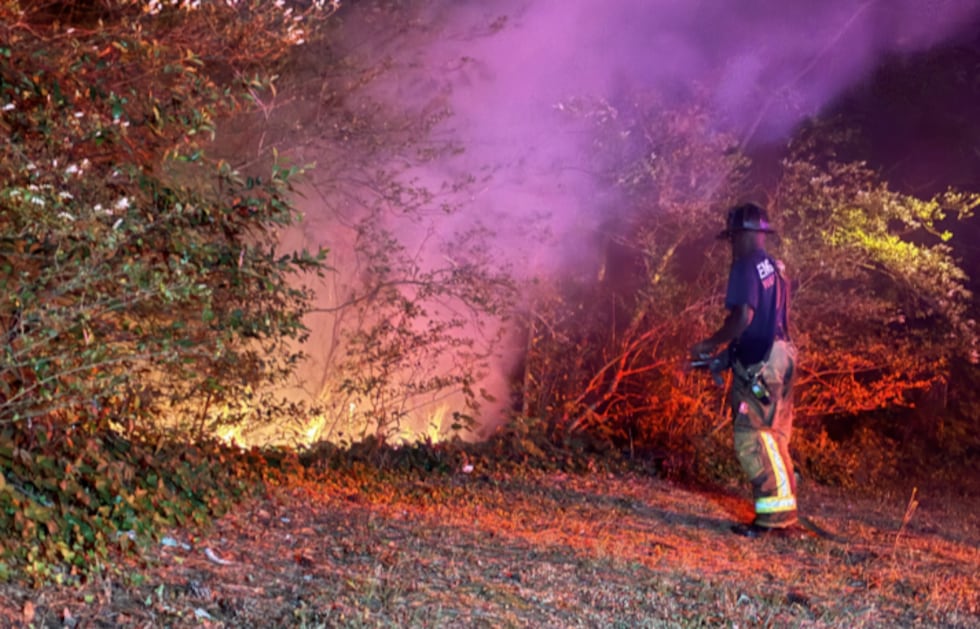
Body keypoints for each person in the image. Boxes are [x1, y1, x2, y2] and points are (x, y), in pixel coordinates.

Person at [690, 202, 799, 538]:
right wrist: (727, 357)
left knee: (752, 437)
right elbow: (769, 321)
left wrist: (710, 344)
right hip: (782, 356)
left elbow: (744, 319)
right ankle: (783, 514)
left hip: (761, 363)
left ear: (742, 235)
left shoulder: (745, 266)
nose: (731, 246)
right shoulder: (776, 267)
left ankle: (774, 521)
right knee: (776, 436)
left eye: (733, 237)